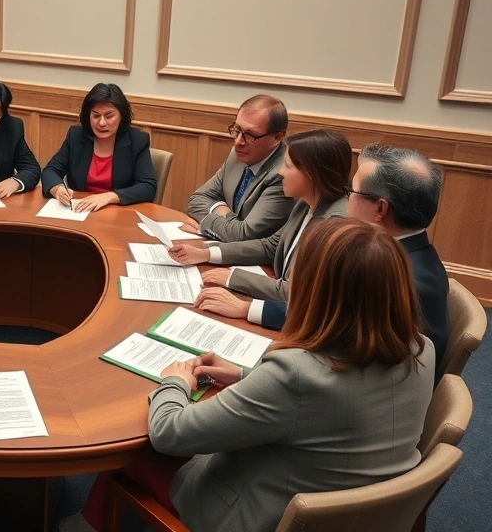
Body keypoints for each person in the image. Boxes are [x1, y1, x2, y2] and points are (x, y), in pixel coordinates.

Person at [61, 218, 435, 532]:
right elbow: (321, 405)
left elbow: (169, 434)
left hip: (258, 516)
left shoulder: (295, 375)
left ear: (316, 293)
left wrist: (174, 381)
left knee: (130, 452)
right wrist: (243, 375)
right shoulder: (421, 349)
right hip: (358, 510)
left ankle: (80, 525)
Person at [195, 144, 449, 372]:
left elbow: (332, 332)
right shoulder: (406, 255)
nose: (345, 197)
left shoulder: (393, 277)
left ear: (380, 209)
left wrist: (244, 309)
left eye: (352, 190)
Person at [168, 129, 351, 303]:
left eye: (287, 166)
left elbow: (294, 292)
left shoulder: (334, 224)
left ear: (311, 174)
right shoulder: (307, 202)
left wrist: (233, 278)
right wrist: (207, 254)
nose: (280, 172)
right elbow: (271, 246)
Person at [185, 95, 294, 242]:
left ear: (277, 138)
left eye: (250, 135)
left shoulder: (284, 174)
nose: (238, 142)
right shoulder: (238, 155)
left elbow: (244, 235)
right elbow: (197, 200)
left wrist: (207, 223)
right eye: (237, 129)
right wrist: (223, 212)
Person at [41, 83, 156, 212]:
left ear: (121, 116)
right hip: (80, 211)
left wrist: (110, 196)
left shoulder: (137, 141)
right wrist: (57, 189)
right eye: (96, 115)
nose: (101, 123)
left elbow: (148, 187)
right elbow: (50, 170)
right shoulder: (76, 136)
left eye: (109, 116)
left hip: (118, 213)